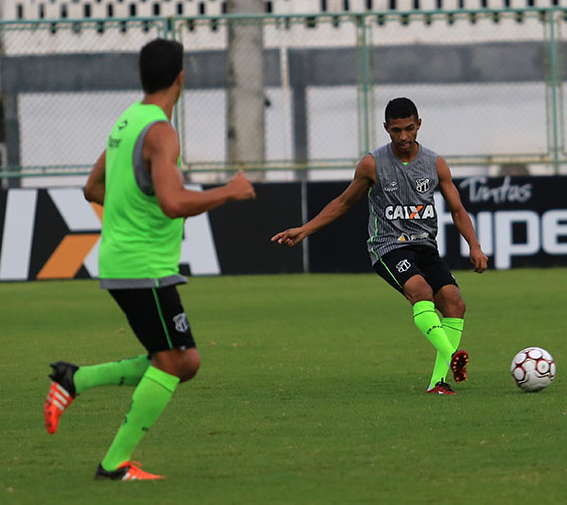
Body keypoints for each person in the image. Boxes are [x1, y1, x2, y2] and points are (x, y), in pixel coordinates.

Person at [44, 38, 256, 480]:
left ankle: (74, 380)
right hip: (144, 268)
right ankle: (114, 463)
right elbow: (173, 202)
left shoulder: (126, 122)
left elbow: (92, 188)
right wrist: (229, 192)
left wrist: (137, 215)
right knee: (176, 361)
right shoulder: (161, 131)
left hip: (126, 262)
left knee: (184, 361)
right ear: (181, 78)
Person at [272, 97, 488, 395]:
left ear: (418, 125)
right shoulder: (372, 164)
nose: (403, 137)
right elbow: (344, 202)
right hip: (388, 247)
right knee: (421, 291)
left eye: (409, 129)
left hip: (425, 246)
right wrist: (304, 230)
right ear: (386, 128)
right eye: (396, 130)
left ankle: (438, 383)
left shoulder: (435, 163)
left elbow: (458, 210)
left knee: (454, 302)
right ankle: (453, 357)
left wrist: (474, 246)